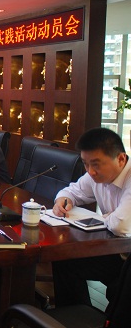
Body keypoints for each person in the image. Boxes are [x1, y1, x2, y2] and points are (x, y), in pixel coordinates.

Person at [51, 128, 131, 307]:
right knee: (65, 260)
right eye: (86, 164)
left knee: (119, 287)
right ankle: (74, 315)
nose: (91, 171)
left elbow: (120, 225)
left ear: (121, 159)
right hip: (117, 250)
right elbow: (71, 191)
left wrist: (109, 218)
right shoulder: (95, 175)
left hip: (127, 256)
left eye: (96, 164)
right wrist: (62, 200)